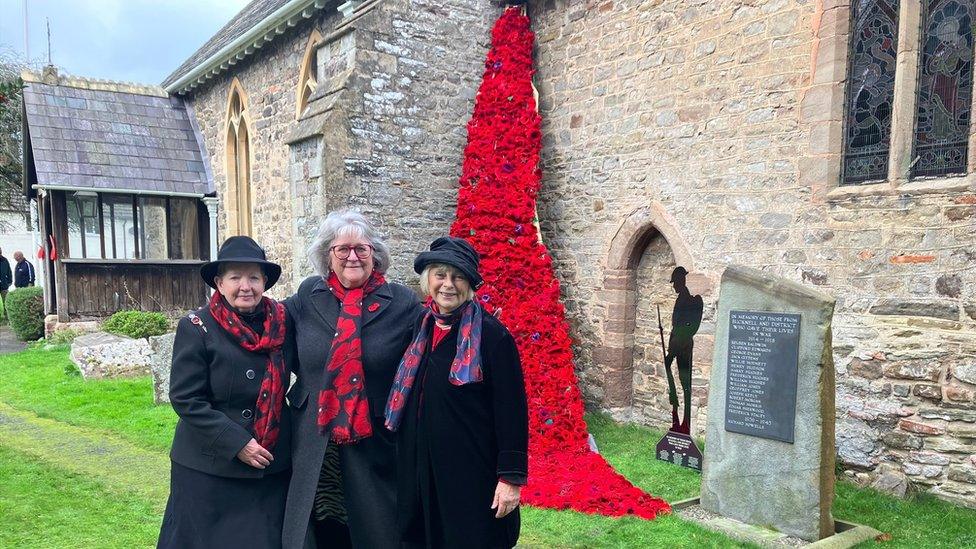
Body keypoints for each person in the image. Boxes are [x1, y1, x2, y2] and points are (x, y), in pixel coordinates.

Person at [282, 209, 421, 549]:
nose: (352, 257)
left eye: (362, 248)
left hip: (373, 440)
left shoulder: (401, 302)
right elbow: (267, 325)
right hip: (313, 438)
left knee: (371, 529)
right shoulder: (307, 295)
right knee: (318, 524)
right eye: (342, 249)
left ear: (375, 253)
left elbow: (428, 357)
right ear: (327, 255)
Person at [386, 236, 528, 549]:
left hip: (471, 474)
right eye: (440, 274)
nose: (448, 284)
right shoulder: (420, 328)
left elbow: (512, 412)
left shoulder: (493, 337)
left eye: (458, 276)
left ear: (470, 284)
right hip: (422, 469)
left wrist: (510, 479)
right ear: (427, 280)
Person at [158, 236, 293, 549]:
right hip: (209, 468)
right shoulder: (196, 326)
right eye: (235, 277)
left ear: (265, 283)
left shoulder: (283, 324)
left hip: (268, 465)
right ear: (219, 282)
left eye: (254, 277)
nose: (245, 286)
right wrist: (238, 442)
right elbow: (186, 398)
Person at [664, 266, 703, 435]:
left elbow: (688, 328)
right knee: (674, 379)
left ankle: (685, 423)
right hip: (675, 344)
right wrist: (670, 349)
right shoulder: (680, 299)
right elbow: (675, 328)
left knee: (685, 383)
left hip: (683, 347)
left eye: (676, 282)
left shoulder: (693, 300)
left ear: (682, 280)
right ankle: (676, 418)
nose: (674, 286)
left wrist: (673, 351)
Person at [0, 248, 11, 312]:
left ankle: (7, 314)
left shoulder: (4, 260)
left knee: (6, 300)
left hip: (4, 284)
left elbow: (9, 271)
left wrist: (10, 281)